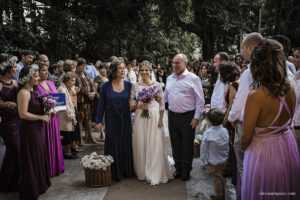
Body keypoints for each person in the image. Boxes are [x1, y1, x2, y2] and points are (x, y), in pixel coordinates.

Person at [241, 39, 300, 200]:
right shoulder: (291, 89)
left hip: (263, 152)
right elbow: (289, 120)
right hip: (287, 146)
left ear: (258, 65)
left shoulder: (256, 96)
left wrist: (242, 146)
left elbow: (246, 137)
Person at [228, 32, 263, 200]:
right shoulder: (280, 70)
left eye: (242, 47)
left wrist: (232, 118)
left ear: (251, 48)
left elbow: (240, 99)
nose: (241, 51)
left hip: (247, 125)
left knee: (245, 169)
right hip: (270, 128)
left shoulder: (250, 72)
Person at [130, 61, 173, 185]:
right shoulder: (135, 86)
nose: (144, 72)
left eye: (146, 70)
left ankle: (154, 170)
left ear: (151, 71)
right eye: (142, 70)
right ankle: (142, 170)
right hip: (140, 117)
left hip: (154, 116)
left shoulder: (158, 85)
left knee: (155, 143)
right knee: (141, 141)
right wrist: (139, 105)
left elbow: (161, 105)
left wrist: (160, 120)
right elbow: (131, 104)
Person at [164, 53, 205, 181]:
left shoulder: (193, 78)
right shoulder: (169, 78)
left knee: (187, 144)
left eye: (177, 63)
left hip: (188, 116)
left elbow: (200, 100)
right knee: (175, 144)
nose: (174, 65)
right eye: (173, 62)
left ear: (185, 64)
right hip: (172, 115)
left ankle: (186, 170)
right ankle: (178, 168)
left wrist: (196, 117)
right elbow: (165, 96)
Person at [95, 60, 134, 181]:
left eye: (124, 68)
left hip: (126, 120)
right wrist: (98, 121)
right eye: (120, 68)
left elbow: (133, 101)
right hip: (111, 121)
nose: (123, 70)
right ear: (114, 70)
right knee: (113, 145)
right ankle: (114, 172)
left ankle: (126, 170)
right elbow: (101, 105)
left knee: (125, 144)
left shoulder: (128, 85)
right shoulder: (106, 86)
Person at [17, 64, 51, 199]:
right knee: (31, 157)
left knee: (38, 155)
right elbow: (23, 114)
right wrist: (41, 117)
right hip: (29, 131)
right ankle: (31, 188)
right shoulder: (23, 93)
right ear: (27, 78)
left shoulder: (35, 91)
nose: (38, 78)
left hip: (38, 129)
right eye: (35, 76)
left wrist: (48, 111)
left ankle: (40, 184)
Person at [37, 62, 65, 177]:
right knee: (46, 143)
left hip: (54, 117)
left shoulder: (50, 83)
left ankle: (57, 166)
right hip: (45, 118)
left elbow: (57, 99)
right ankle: (48, 169)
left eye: (46, 70)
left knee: (55, 141)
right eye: (43, 70)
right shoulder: (35, 85)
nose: (46, 72)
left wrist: (58, 108)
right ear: (37, 72)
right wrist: (47, 111)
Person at [0, 54, 20, 192]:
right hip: (7, 123)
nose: (16, 68)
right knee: (15, 151)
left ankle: (13, 183)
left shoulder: (15, 83)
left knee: (14, 153)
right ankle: (5, 183)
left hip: (18, 121)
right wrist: (7, 104)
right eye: (14, 66)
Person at [200, 108, 229, 200]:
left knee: (216, 179)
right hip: (224, 159)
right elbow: (227, 144)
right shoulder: (225, 131)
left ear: (209, 120)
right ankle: (222, 195)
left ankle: (218, 197)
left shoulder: (207, 133)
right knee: (220, 177)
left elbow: (203, 150)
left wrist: (203, 162)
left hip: (213, 161)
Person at [75, 58, 97, 144]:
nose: (84, 67)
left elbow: (92, 84)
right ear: (77, 66)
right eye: (82, 65)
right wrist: (89, 94)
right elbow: (80, 87)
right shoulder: (75, 75)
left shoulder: (85, 74)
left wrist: (93, 92)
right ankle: (80, 139)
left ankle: (90, 137)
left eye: (85, 65)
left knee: (88, 119)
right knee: (80, 120)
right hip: (81, 100)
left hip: (88, 100)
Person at [57, 72, 78, 159]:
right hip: (65, 117)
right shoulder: (62, 90)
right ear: (66, 81)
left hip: (66, 116)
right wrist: (72, 117)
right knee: (67, 135)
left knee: (69, 134)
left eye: (74, 81)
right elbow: (65, 106)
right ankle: (67, 153)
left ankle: (68, 152)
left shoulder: (65, 88)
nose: (73, 83)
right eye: (71, 81)